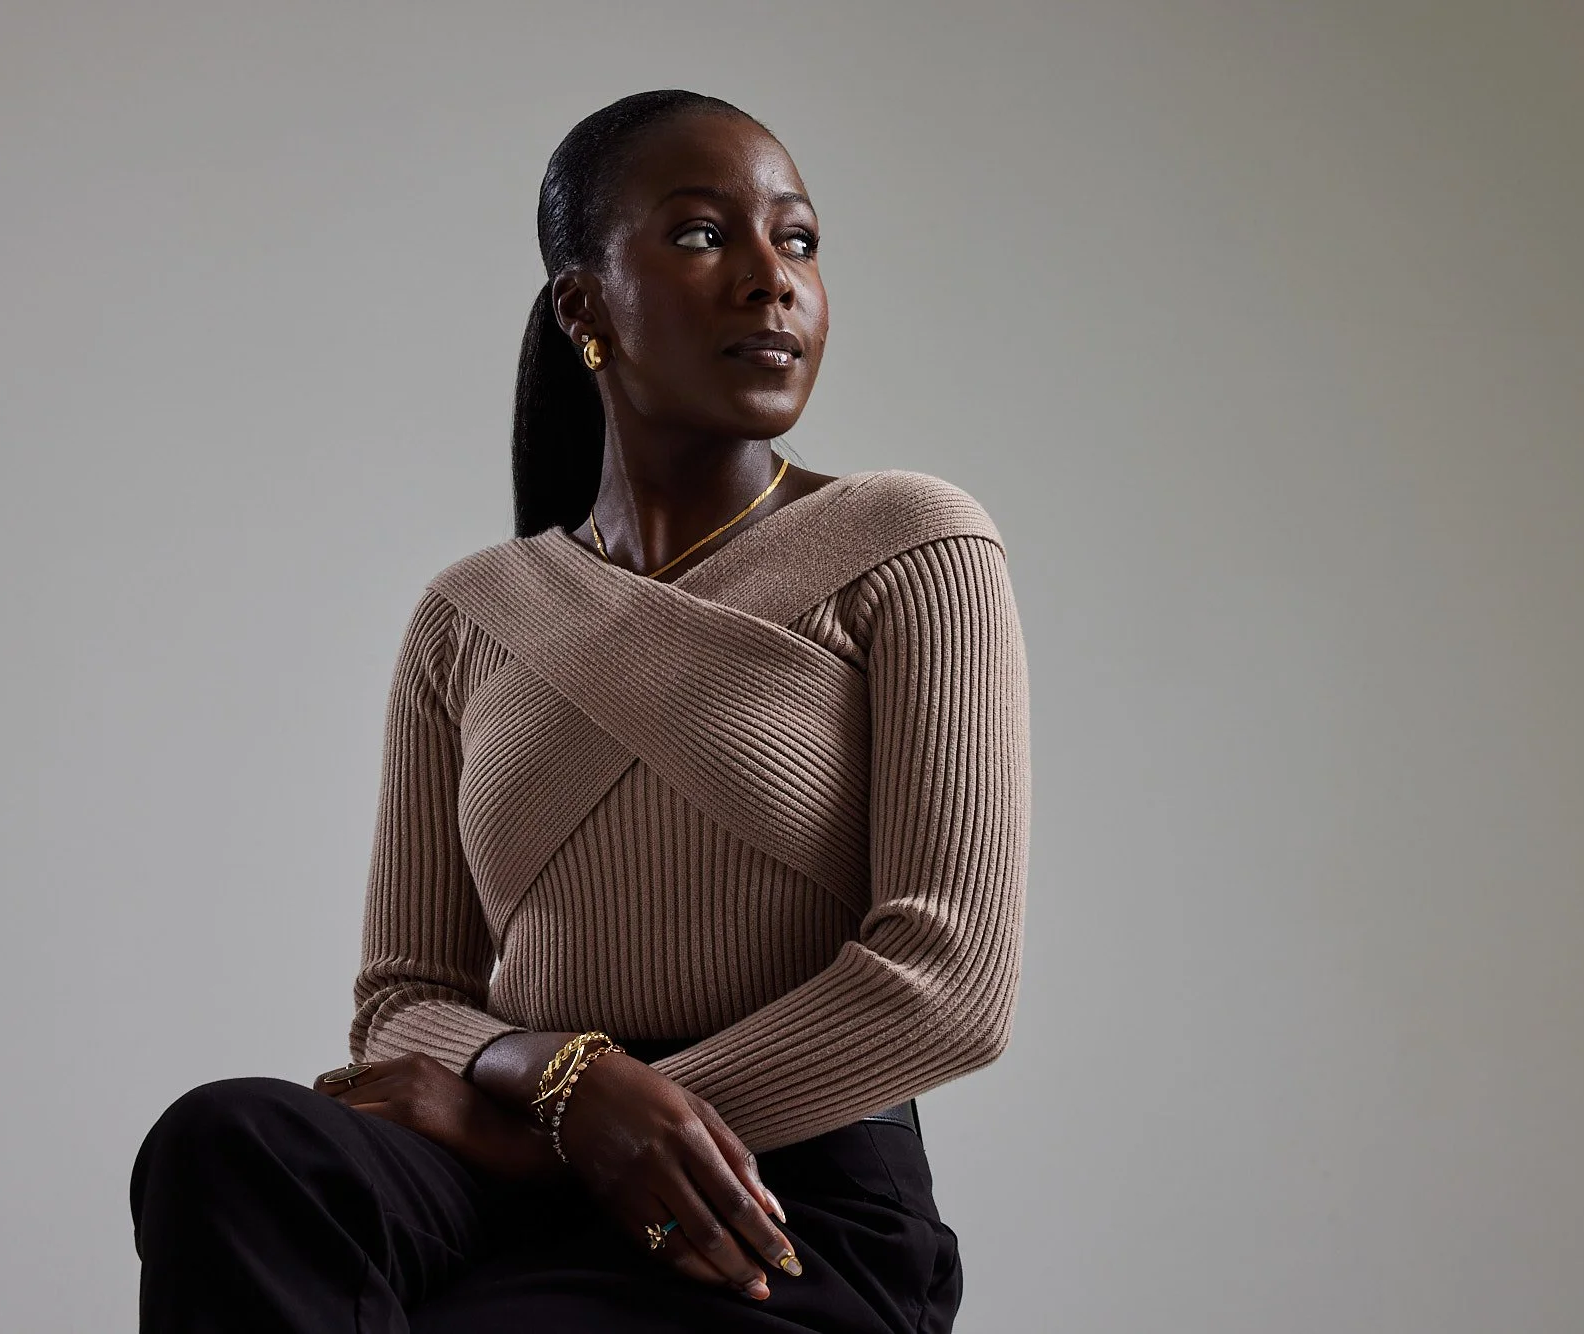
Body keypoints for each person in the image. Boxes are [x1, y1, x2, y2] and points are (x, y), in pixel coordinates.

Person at [129, 88, 1030, 1333]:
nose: (772, 280)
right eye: (706, 235)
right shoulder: (472, 613)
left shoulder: (909, 545)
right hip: (510, 1159)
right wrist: (554, 1082)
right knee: (232, 1140)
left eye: (800, 241)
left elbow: (949, 977)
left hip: (780, 1211)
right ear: (581, 305)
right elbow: (403, 997)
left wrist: (593, 1135)